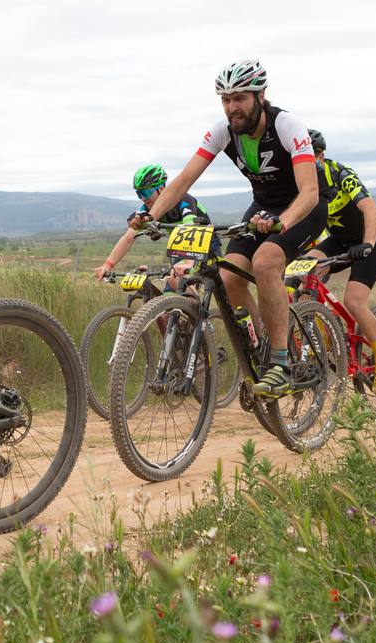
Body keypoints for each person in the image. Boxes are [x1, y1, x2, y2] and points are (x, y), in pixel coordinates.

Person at [132, 59, 324, 397]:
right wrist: (152, 215)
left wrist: (283, 222)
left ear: (260, 95)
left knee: (265, 262)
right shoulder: (223, 130)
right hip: (261, 208)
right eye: (225, 100)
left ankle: (280, 364)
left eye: (239, 98)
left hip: (302, 208)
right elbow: (183, 180)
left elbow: (310, 192)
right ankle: (265, 339)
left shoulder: (288, 126)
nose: (231, 108)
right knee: (228, 276)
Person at [293, 130, 376, 388]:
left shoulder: (340, 174)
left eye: (310, 156)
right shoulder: (300, 182)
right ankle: (324, 330)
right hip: (338, 239)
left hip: (368, 240)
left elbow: (371, 208)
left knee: (354, 300)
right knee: (303, 275)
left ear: (320, 155)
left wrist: (368, 244)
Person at [95, 165, 211, 292]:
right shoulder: (146, 211)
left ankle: (195, 307)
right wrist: (107, 265)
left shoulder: (183, 199)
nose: (143, 198)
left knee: (182, 286)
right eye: (139, 194)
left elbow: (191, 228)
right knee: (168, 299)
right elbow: (128, 237)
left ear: (161, 189)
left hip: (206, 248)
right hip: (181, 251)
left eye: (146, 192)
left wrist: (188, 263)